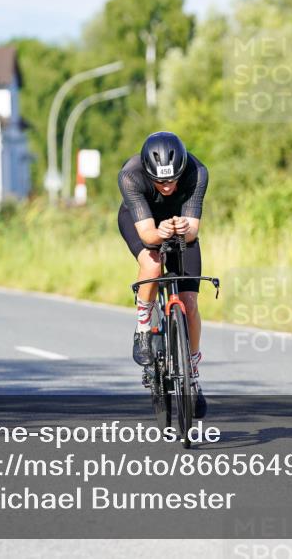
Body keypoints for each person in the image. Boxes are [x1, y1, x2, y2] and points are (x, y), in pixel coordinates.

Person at [118, 131, 209, 418]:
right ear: (148, 173)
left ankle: (192, 372)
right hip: (143, 221)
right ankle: (144, 326)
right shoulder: (130, 176)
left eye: (173, 179)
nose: (168, 186)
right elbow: (147, 234)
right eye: (160, 181)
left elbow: (194, 229)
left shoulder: (197, 172)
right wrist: (160, 232)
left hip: (179, 225)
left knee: (190, 302)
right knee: (154, 265)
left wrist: (183, 228)